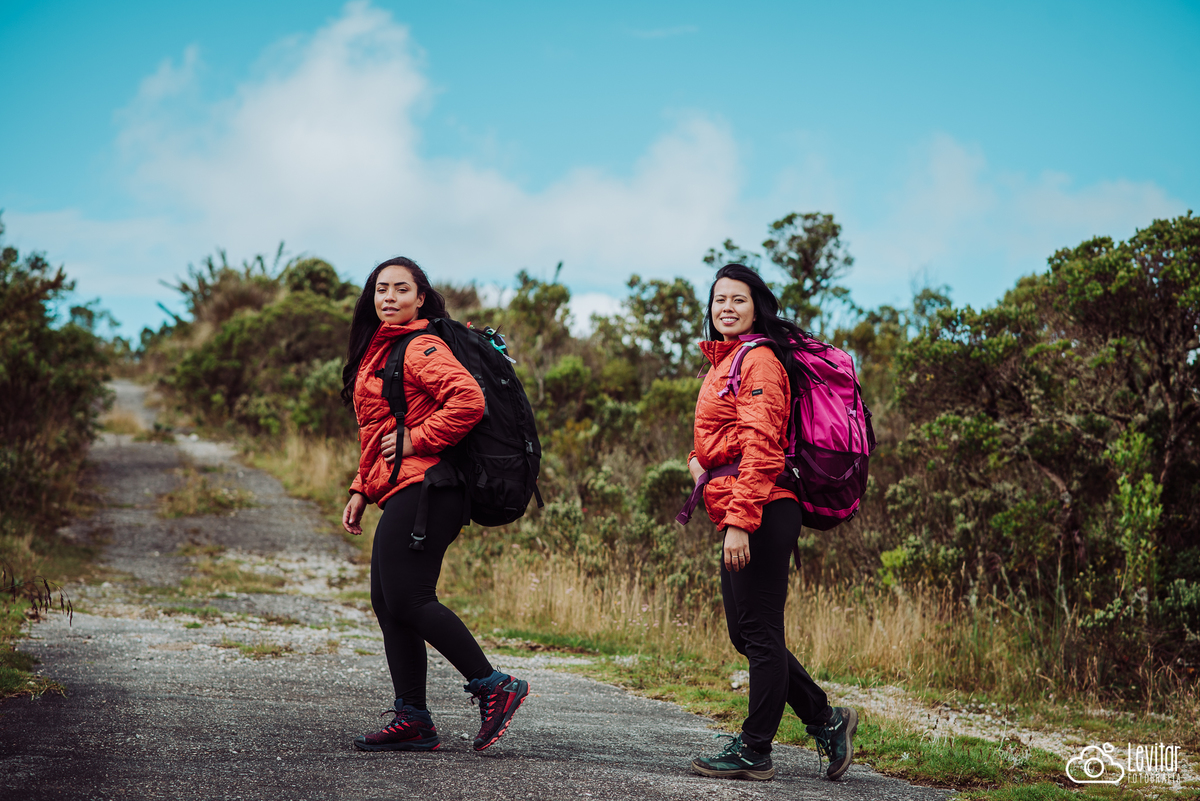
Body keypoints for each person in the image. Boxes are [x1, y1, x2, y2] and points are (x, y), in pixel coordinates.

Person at [340, 256, 529, 753]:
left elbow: (468, 401)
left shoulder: (421, 345)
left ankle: (494, 685)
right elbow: (381, 430)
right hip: (406, 487)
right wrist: (362, 486)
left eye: (401, 289)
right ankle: (413, 718)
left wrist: (415, 440)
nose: (389, 298)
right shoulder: (382, 350)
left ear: (420, 297)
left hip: (431, 488)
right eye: (381, 289)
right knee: (390, 603)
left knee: (409, 599)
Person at [687, 263, 857, 782]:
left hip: (761, 508)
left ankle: (755, 749)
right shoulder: (726, 361)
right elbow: (733, 437)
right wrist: (703, 465)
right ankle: (827, 721)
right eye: (719, 300)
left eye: (738, 299)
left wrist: (741, 521)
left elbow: (762, 445)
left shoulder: (758, 360)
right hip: (742, 506)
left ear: (756, 306)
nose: (727, 308)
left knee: (759, 632)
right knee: (747, 633)